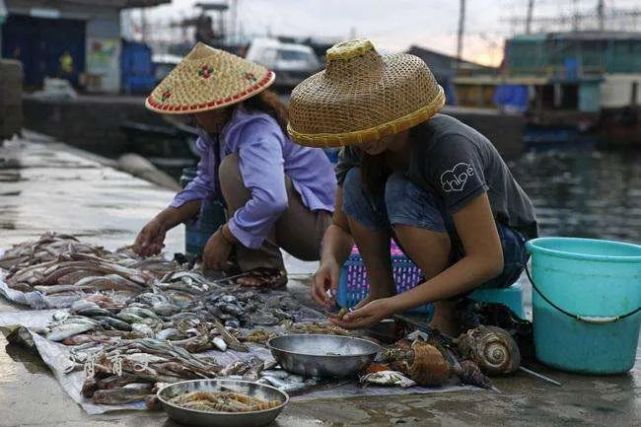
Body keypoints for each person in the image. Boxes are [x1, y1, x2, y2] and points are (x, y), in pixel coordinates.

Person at [287, 39, 538, 334]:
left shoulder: (447, 146)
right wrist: (329, 261)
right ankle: (381, 290)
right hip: (449, 240)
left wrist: (398, 306)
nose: (366, 133)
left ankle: (447, 310)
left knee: (399, 189)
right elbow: (340, 227)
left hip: (505, 247)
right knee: (357, 181)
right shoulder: (361, 145)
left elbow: (488, 260)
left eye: (374, 115)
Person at [134, 42, 336, 287]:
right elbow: (204, 184)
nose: (191, 117)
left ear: (218, 108)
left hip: (322, 232)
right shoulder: (217, 132)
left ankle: (265, 268)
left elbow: (272, 199)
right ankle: (245, 260)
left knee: (231, 170)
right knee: (224, 174)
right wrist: (163, 221)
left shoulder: (257, 130)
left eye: (196, 110)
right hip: (301, 220)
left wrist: (225, 236)